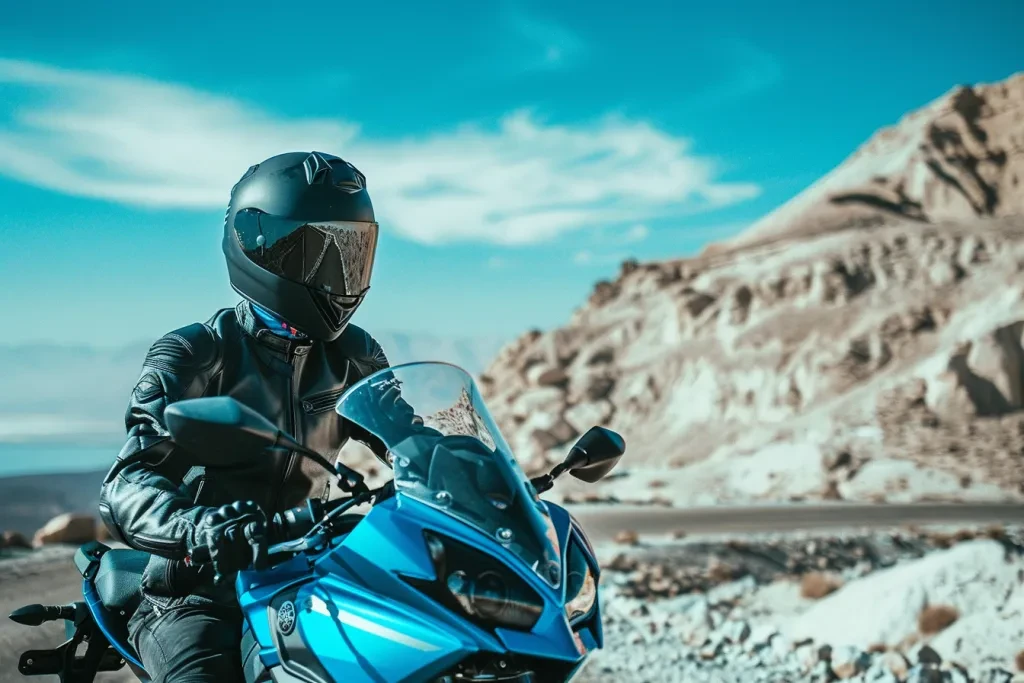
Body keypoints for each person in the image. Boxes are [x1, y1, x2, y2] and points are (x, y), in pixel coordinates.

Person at [98, 151, 396, 683]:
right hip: (195, 585)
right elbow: (126, 483)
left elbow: (417, 439)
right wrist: (197, 527)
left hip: (304, 573)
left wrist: (484, 483)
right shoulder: (196, 352)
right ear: (261, 249)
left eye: (352, 250)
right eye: (318, 251)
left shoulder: (355, 355)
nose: (340, 272)